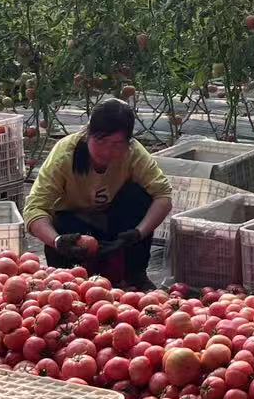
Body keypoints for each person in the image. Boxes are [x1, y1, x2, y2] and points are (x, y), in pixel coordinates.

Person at [23, 97, 173, 291]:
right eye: (101, 141)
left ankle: (135, 275)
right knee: (60, 227)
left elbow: (163, 196)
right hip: (73, 225)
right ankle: (68, 279)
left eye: (117, 144)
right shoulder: (65, 155)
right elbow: (35, 208)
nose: (107, 151)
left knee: (139, 197)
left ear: (129, 142)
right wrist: (58, 241)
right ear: (88, 134)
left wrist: (138, 233)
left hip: (114, 223)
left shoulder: (134, 153)